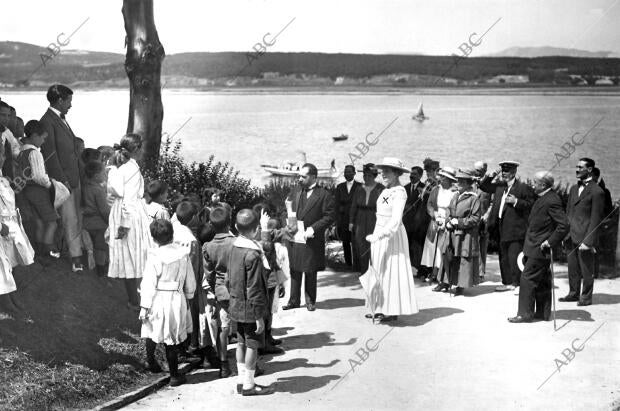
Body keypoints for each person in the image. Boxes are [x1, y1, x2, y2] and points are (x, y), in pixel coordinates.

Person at [139, 219, 196, 387]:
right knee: (172, 337)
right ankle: (174, 375)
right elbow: (189, 278)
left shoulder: (154, 256)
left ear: (154, 239)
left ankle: (151, 360)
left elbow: (148, 282)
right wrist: (189, 294)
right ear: (172, 235)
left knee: (152, 329)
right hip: (176, 298)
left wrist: (145, 305)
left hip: (157, 298)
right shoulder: (183, 255)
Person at [508, 171, 569, 323]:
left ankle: (525, 314)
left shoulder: (552, 200)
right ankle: (542, 313)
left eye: (535, 183)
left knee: (527, 279)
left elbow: (564, 225)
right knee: (541, 280)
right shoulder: (545, 197)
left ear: (542, 185)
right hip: (534, 246)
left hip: (540, 248)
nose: (533, 185)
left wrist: (550, 241)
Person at [364, 157, 418, 322]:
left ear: (396, 173)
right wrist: (376, 233)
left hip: (391, 235)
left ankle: (392, 309)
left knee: (391, 270)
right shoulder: (386, 190)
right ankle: (379, 306)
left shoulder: (400, 192)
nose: (383, 175)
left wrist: (380, 235)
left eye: (387, 171)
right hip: (379, 232)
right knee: (379, 269)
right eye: (382, 172)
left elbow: (395, 220)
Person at [227, 209, 273, 396]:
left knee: (240, 343)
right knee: (253, 345)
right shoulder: (253, 255)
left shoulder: (234, 247)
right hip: (250, 308)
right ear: (256, 230)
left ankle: (240, 380)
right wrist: (259, 316)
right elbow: (254, 288)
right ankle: (249, 385)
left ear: (236, 227)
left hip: (236, 304)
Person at [39, 84, 84, 272]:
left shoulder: (59, 119)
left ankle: (70, 252)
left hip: (73, 178)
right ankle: (76, 259)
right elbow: (50, 155)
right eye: (69, 101)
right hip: (64, 180)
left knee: (74, 218)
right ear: (59, 100)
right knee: (69, 219)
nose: (70, 105)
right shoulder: (47, 121)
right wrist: (62, 179)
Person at [107, 134, 154, 309]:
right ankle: (138, 299)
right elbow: (129, 200)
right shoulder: (132, 170)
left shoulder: (119, 168)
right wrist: (125, 224)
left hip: (120, 211)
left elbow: (113, 195)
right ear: (136, 150)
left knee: (129, 256)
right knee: (137, 255)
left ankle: (135, 298)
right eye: (140, 148)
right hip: (131, 215)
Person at [283, 163, 335, 312]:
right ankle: (293, 300)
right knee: (294, 268)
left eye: (303, 176)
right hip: (294, 236)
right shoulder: (295, 191)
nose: (299, 179)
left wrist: (314, 228)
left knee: (310, 269)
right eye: (299, 175)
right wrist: (287, 224)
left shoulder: (324, 195)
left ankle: (310, 301)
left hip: (311, 238)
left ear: (313, 177)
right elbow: (285, 209)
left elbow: (330, 216)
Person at [479, 161, 535, 292]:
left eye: (507, 171)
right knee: (503, 255)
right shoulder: (500, 186)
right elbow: (483, 185)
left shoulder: (522, 187)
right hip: (500, 227)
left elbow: (531, 205)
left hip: (516, 228)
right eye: (503, 171)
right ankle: (507, 282)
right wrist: (492, 174)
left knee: (514, 255)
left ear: (514, 172)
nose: (504, 173)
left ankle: (517, 283)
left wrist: (516, 202)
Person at [560, 158, 605, 306]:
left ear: (590, 170)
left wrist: (588, 241)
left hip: (585, 237)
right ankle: (573, 294)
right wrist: (564, 234)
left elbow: (596, 219)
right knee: (572, 268)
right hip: (570, 235)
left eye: (581, 167)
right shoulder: (573, 188)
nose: (577, 169)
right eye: (576, 167)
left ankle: (586, 298)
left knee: (586, 270)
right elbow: (568, 212)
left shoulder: (597, 192)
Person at [14, 120, 57, 263]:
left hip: (27, 191)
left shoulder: (21, 152)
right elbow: (38, 176)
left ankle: (37, 252)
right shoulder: (34, 153)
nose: (43, 141)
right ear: (34, 136)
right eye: (43, 138)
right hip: (38, 191)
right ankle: (46, 253)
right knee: (52, 222)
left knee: (38, 222)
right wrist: (50, 184)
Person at [203, 206, 236, 376]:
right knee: (245, 327)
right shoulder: (236, 242)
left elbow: (209, 274)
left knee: (223, 327)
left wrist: (216, 288)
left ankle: (224, 365)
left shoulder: (208, 247)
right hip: (239, 291)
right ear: (229, 222)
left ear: (211, 224)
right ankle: (249, 365)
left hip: (221, 291)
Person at [441, 168, 481, 296]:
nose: (459, 183)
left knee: (463, 259)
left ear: (469, 183)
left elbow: (475, 218)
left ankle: (460, 285)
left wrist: (459, 222)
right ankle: (447, 281)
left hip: (465, 235)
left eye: (463, 181)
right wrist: (447, 221)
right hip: (453, 232)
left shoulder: (474, 199)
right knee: (450, 255)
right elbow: (449, 209)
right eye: (459, 181)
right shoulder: (456, 195)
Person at [421, 167, 458, 286]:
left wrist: (445, 220)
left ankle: (442, 275)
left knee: (442, 249)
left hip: (447, 222)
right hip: (435, 220)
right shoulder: (436, 189)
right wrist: (435, 216)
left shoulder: (454, 192)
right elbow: (430, 204)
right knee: (432, 247)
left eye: (443, 177)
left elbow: (453, 209)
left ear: (449, 179)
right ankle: (432, 271)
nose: (440, 179)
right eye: (440, 176)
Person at [349, 163, 384, 274]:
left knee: (374, 245)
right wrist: (351, 221)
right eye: (365, 175)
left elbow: (384, 208)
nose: (366, 178)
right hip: (360, 218)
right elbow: (353, 206)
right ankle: (364, 271)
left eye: (369, 176)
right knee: (361, 245)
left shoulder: (381, 189)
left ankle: (375, 271)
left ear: (374, 176)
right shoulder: (359, 189)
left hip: (374, 219)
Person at [82, 161, 110, 276]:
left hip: (87, 221)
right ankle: (101, 269)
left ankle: (90, 261)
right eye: (103, 173)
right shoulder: (99, 190)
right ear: (96, 176)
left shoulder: (85, 186)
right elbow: (103, 209)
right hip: (99, 223)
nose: (105, 175)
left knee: (91, 245)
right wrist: (110, 221)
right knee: (101, 247)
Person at [402, 165, 429, 274]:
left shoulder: (424, 188)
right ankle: (405, 268)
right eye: (411, 174)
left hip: (419, 224)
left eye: (415, 174)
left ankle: (416, 268)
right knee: (406, 245)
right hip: (406, 223)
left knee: (417, 247)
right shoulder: (405, 188)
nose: (411, 176)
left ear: (421, 175)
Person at [334, 165, 361, 268]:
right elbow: (336, 205)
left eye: (349, 172)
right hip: (343, 220)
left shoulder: (360, 186)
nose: (347, 174)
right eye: (345, 172)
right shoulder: (340, 187)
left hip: (356, 220)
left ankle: (357, 264)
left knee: (356, 243)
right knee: (345, 243)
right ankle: (348, 264)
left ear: (354, 173)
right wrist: (337, 221)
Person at [473, 161, 491, 279]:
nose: (476, 172)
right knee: (472, 245)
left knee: (482, 246)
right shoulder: (473, 183)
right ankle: (473, 271)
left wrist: (487, 215)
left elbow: (494, 203)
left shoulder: (490, 184)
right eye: (475, 170)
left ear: (484, 171)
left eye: (478, 170)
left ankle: (481, 272)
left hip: (483, 220)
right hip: (472, 219)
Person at [0, 101, 21, 179]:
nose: (6, 119)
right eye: (3, 115)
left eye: (8, 116)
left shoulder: (7, 132)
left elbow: (16, 151)